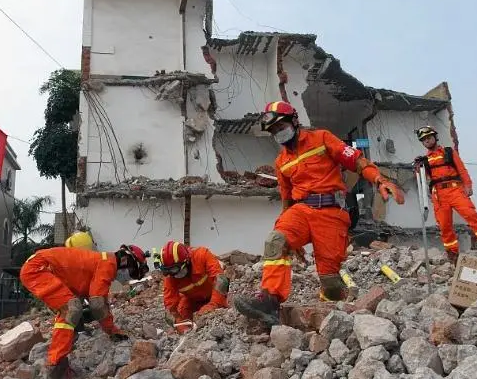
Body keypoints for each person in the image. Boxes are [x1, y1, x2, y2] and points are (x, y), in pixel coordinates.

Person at [234, 101, 405, 327]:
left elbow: (356, 161)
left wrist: (380, 180)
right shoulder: (281, 162)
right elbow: (287, 199)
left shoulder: (322, 138)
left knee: (331, 284)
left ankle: (335, 315)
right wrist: (286, 231)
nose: (278, 133)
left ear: (294, 121)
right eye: (273, 131)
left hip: (331, 214)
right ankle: (270, 301)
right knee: (275, 241)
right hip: (301, 210)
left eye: (280, 126)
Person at [20, 243, 149, 378]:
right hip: (38, 269)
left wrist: (111, 329)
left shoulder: (103, 262)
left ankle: (65, 344)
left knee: (72, 307)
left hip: (39, 267)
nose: (130, 278)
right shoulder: (108, 265)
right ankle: (56, 364)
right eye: (133, 273)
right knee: (71, 309)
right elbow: (98, 305)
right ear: (126, 261)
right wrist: (112, 331)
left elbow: (98, 300)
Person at [414, 125, 477, 264]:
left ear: (435, 137)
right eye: (424, 140)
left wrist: (468, 185)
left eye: (429, 138)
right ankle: (453, 256)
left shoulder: (449, 152)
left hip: (455, 190)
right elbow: (420, 177)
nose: (427, 141)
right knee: (444, 226)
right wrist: (418, 167)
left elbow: (461, 169)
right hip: (439, 195)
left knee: (472, 215)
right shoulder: (425, 160)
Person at [160, 241, 229, 334]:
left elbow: (221, 280)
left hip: (214, 293)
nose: (174, 275)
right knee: (183, 316)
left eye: (175, 270)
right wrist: (178, 323)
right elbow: (169, 308)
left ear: (186, 261)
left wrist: (214, 304)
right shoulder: (170, 277)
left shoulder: (201, 255)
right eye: (169, 272)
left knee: (220, 313)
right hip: (192, 300)